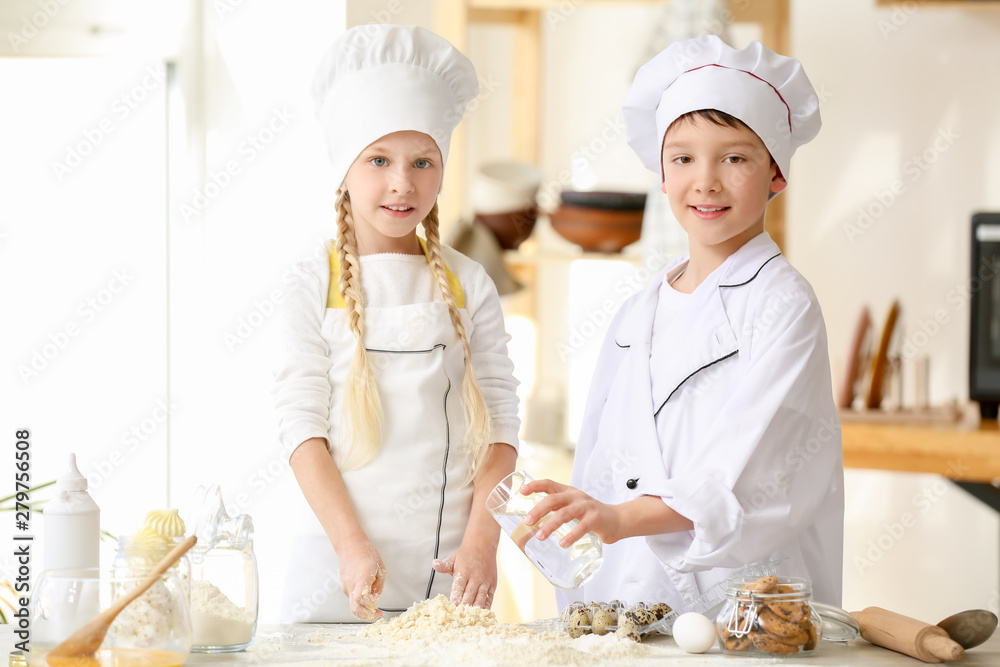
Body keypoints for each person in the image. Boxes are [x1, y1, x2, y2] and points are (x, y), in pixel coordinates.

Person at [520, 35, 844, 610]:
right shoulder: (636, 310)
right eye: (683, 158)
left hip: (744, 604)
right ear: (662, 177)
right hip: (628, 599)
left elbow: (755, 473)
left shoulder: (782, 303)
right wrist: (569, 522)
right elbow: (603, 456)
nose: (706, 181)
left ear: (777, 174)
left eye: (735, 157)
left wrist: (619, 517)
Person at [273, 24, 520, 623]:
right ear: (345, 168)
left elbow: (503, 426)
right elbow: (300, 429)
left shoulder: (469, 283)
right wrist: (351, 547)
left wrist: (484, 542)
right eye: (378, 159)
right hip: (333, 573)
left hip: (452, 575)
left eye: (422, 162)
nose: (402, 183)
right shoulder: (311, 281)